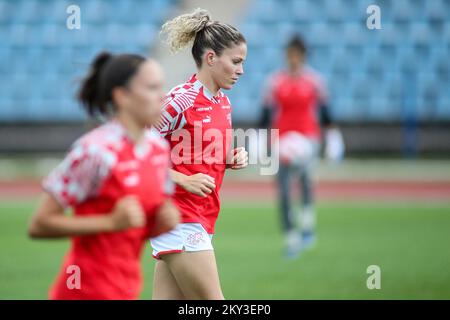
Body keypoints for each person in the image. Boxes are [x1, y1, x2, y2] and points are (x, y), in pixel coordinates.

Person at [27, 52, 180, 299]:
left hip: (127, 289)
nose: (162, 96)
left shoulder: (158, 149)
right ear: (122, 96)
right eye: (152, 88)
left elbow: (135, 229)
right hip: (84, 290)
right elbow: (39, 224)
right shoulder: (95, 151)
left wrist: (161, 224)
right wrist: (110, 222)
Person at [150, 8, 248, 300]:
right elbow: (134, 154)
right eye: (236, 62)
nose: (241, 70)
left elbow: (194, 152)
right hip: (179, 216)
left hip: (202, 216)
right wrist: (183, 180)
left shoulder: (223, 102)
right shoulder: (180, 100)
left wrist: (228, 158)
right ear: (210, 58)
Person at [259, 35, 344, 259]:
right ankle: (291, 236)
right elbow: (266, 115)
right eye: (290, 54)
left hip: (308, 138)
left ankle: (307, 224)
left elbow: (325, 113)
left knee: (305, 180)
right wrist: (259, 140)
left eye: (297, 54)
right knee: (283, 188)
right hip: (282, 139)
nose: (293, 59)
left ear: (303, 56)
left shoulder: (314, 81)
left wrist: (333, 137)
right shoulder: (275, 81)